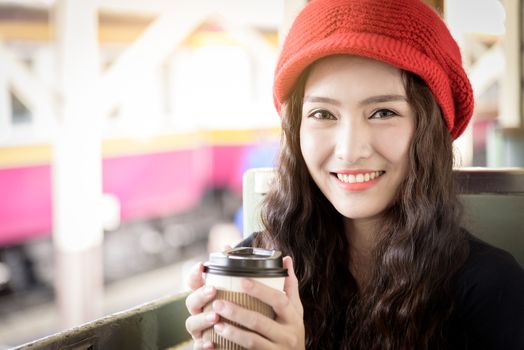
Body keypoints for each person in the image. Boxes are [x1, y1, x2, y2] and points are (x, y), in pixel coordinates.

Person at [185, 0, 524, 348]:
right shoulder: (260, 274)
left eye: (382, 112)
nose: (349, 149)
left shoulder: (492, 288)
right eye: (323, 114)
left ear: (429, 130)